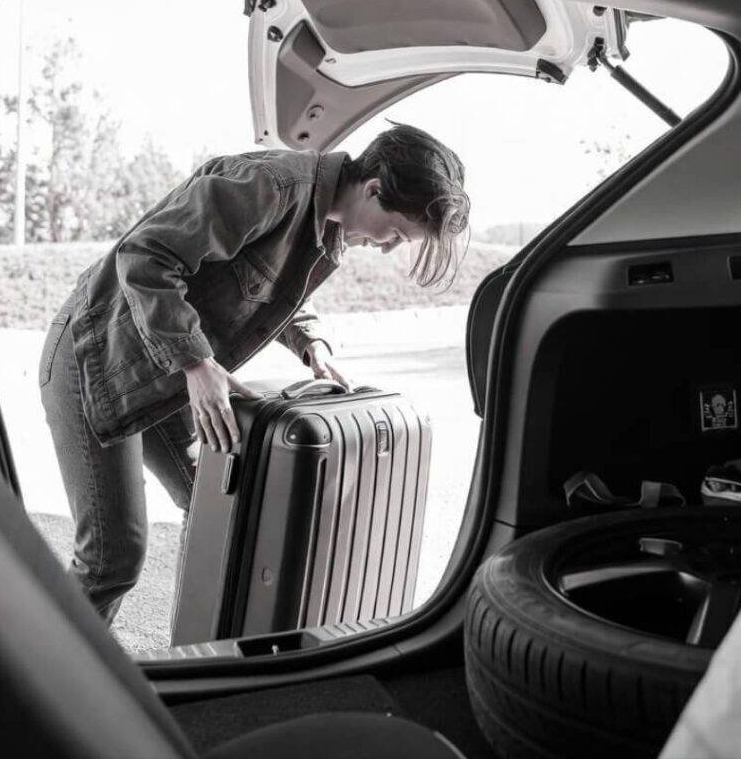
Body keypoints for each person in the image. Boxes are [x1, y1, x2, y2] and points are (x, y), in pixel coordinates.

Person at [38, 122, 469, 625]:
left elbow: (268, 287)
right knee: (113, 559)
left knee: (221, 509)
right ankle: (44, 683)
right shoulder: (269, 186)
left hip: (164, 365)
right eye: (396, 233)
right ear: (373, 190)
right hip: (97, 356)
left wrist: (311, 344)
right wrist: (199, 364)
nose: (391, 246)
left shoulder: (327, 227)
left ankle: (197, 653)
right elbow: (146, 257)